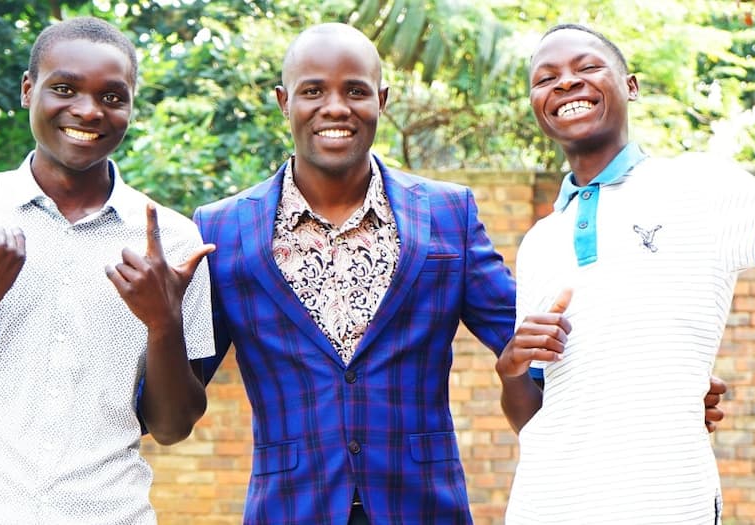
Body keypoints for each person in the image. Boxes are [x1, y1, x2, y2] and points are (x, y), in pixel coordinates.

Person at [191, 23, 727, 524]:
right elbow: (179, 399)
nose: (335, 107)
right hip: (288, 507)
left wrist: (661, 388)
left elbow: (531, 343)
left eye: (355, 90)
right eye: (312, 91)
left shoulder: (446, 215)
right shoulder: (224, 229)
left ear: (381, 100)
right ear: (284, 102)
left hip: (424, 504)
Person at [497, 23, 755, 524]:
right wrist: (511, 370)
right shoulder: (539, 241)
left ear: (630, 85)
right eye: (546, 78)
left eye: (587, 68)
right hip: (547, 506)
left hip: (670, 502)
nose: (565, 83)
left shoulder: (697, 184)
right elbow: (535, 415)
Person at [0, 16, 214, 523]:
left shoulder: (172, 241)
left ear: (132, 104)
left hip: (111, 514)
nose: (87, 111)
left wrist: (163, 322)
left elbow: (173, 427)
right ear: (29, 90)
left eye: (112, 97)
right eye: (64, 88)